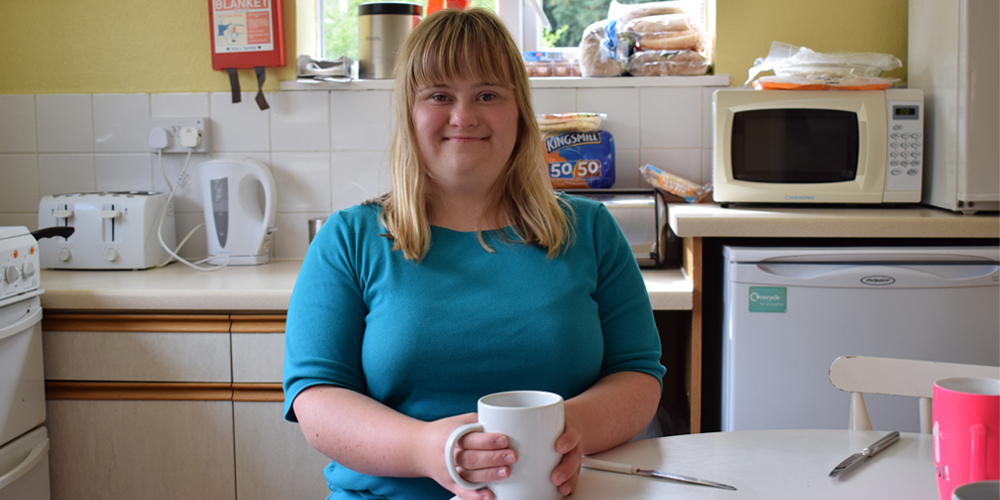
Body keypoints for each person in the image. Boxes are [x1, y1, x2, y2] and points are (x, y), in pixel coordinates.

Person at [283, 8, 665, 500]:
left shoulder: (590, 230)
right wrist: (426, 448)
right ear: (409, 112)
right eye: (440, 96)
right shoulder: (347, 240)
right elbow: (316, 401)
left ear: (519, 112)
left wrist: (563, 430)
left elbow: (639, 375)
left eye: (488, 95)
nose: (464, 116)